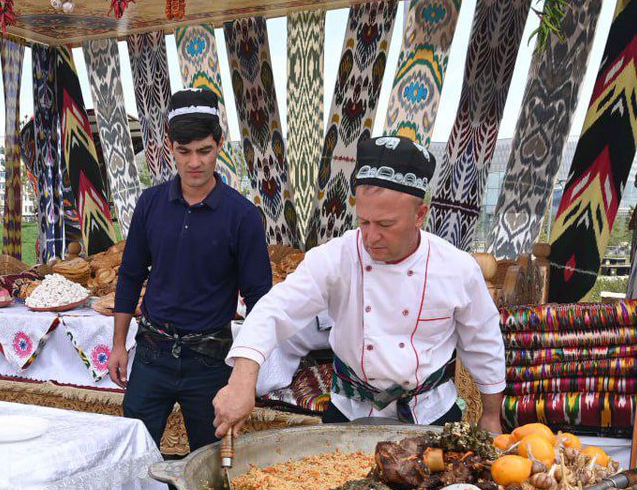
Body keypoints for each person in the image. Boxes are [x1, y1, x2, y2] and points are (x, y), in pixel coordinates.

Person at [213, 135, 506, 436]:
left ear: (420, 215)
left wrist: (492, 414)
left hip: (429, 411)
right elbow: (274, 310)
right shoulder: (336, 257)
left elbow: (483, 339)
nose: (370, 237)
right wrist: (242, 381)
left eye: (385, 225)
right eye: (364, 222)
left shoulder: (456, 268)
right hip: (349, 409)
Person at [107, 88, 272, 450]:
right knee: (132, 451)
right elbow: (131, 273)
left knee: (210, 461)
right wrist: (119, 343)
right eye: (184, 152)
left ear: (220, 145)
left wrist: (246, 374)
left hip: (210, 361)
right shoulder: (150, 204)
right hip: (151, 354)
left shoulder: (241, 215)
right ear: (170, 147)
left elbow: (260, 299)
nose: (194, 162)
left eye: (204, 151)